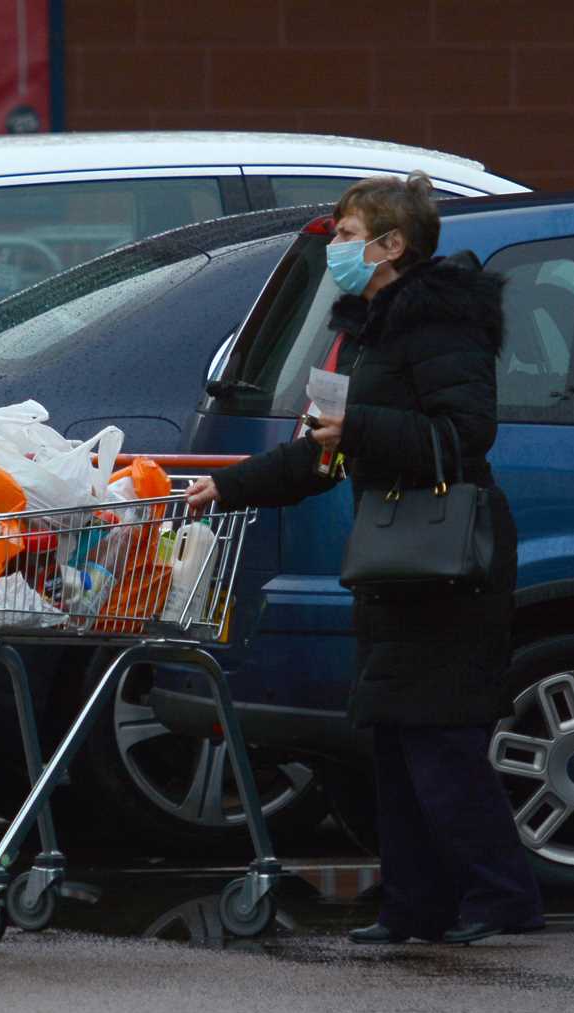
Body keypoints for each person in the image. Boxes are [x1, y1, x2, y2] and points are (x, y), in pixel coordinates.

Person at [186, 173, 544, 946]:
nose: (336, 249)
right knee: (394, 736)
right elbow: (324, 452)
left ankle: (501, 894)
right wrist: (225, 489)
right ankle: (414, 904)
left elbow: (462, 433)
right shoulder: (372, 329)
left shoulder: (441, 325)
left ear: (392, 245)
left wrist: (356, 430)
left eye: (348, 236)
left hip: (448, 557)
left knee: (441, 737)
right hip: (394, 553)